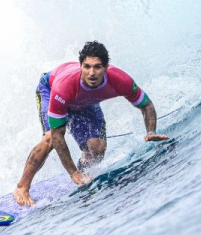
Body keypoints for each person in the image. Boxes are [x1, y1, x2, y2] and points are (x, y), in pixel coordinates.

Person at [13, 41, 169, 206]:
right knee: (50, 137)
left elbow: (146, 105)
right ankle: (22, 187)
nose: (91, 73)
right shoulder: (63, 87)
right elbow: (59, 135)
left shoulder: (120, 80)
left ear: (106, 67)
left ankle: (83, 170)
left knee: (97, 149)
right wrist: (72, 173)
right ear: (80, 66)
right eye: (86, 66)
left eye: (97, 67)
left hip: (84, 102)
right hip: (50, 90)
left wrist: (151, 132)